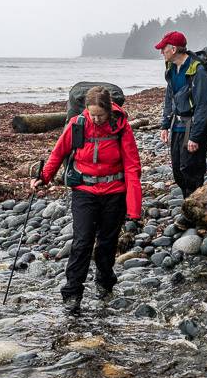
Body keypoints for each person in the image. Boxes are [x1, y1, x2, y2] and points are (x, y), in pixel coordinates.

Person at [31, 86, 142, 314]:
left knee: (107, 244)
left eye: (100, 115)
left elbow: (132, 168)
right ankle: (72, 292)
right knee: (81, 243)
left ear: (109, 110)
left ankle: (105, 281)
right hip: (85, 191)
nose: (96, 119)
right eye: (92, 115)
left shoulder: (121, 128)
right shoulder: (78, 125)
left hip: (114, 192)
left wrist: (134, 210)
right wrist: (43, 177)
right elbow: (58, 152)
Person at [156, 30, 207, 199]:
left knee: (191, 170)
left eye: (163, 48)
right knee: (178, 171)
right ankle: (189, 205)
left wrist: (195, 137)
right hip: (177, 127)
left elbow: (204, 106)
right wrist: (165, 125)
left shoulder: (198, 69)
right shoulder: (171, 68)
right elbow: (169, 97)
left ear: (173, 49)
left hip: (195, 127)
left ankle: (195, 209)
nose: (161, 52)